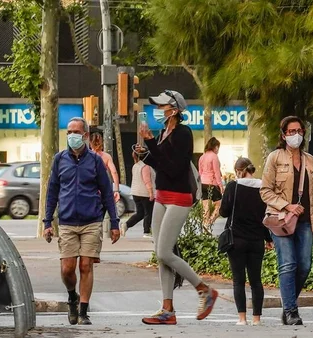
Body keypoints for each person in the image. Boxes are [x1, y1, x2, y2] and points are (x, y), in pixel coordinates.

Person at [139, 90, 218, 325]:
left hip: (179, 196)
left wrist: (151, 142)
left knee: (164, 252)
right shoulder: (164, 132)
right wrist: (145, 155)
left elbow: (174, 168)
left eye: (163, 106)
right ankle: (167, 310)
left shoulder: (183, 134)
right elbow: (162, 165)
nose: (159, 110)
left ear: (174, 110)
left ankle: (204, 289)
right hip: (162, 195)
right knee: (161, 255)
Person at [43, 117, 120, 326]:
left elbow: (106, 192)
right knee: (68, 268)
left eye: (75, 132)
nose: (71, 136)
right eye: (68, 132)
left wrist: (114, 223)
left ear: (85, 135)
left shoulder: (95, 161)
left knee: (86, 265)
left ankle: (83, 310)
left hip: (91, 221)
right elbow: (52, 192)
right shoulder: (60, 159)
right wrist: (47, 221)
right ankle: (72, 297)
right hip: (67, 222)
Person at [260, 116, 313, 325]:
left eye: (299, 130)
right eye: (291, 131)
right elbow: (265, 191)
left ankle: (288, 303)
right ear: (283, 135)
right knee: (288, 264)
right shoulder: (275, 157)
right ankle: (291, 310)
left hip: (306, 222)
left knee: (305, 265)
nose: (296, 134)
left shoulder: (311, 161)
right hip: (281, 220)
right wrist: (287, 205)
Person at [219, 157, 273, 326]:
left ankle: (242, 319)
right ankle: (257, 318)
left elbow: (224, 212)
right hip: (256, 240)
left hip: (236, 240)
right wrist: (268, 239)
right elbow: (265, 217)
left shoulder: (233, 186)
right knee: (256, 280)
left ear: (238, 170)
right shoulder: (263, 187)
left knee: (238, 280)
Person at [121, 146, 155, 238]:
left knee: (140, 213)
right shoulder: (146, 166)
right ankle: (146, 232)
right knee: (148, 212)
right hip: (145, 193)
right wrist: (151, 193)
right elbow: (147, 181)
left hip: (135, 192)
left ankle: (126, 225)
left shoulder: (135, 165)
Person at [199, 137, 224, 233]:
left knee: (206, 207)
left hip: (203, 183)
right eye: (218, 147)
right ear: (215, 147)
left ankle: (205, 226)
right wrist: (221, 186)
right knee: (220, 205)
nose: (218, 149)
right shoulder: (214, 156)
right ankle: (209, 222)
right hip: (212, 183)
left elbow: (200, 172)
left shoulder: (202, 157)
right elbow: (217, 173)